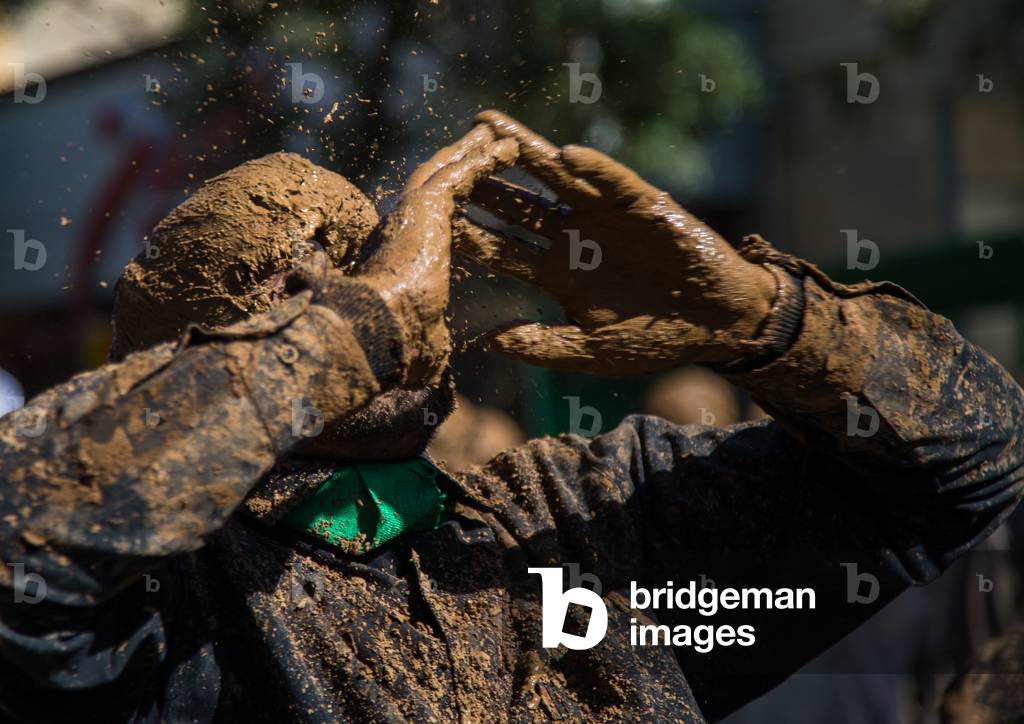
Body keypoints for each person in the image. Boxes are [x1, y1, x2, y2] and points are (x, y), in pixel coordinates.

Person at [0, 111, 1021, 723]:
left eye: (367, 250)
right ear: (192, 366)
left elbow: (971, 461)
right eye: (282, 285)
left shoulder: (576, 515)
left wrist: (770, 319)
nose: (370, 282)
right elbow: (23, 548)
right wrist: (344, 334)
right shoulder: (178, 604)